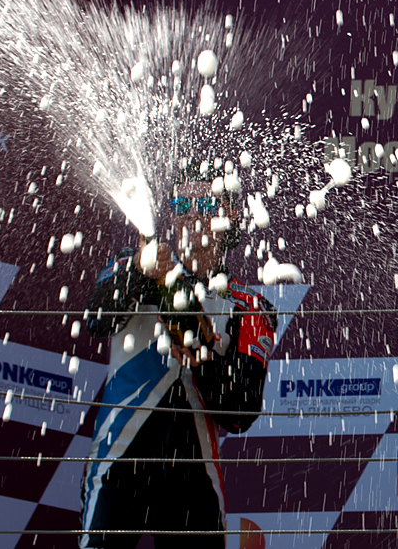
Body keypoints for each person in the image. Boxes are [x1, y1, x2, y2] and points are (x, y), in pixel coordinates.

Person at [80, 159, 277, 548]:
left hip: (194, 483)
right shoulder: (138, 266)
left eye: (203, 205)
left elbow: (241, 412)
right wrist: (139, 272)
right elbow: (96, 320)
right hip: (116, 467)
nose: (190, 216)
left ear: (229, 215)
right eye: (180, 205)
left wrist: (201, 357)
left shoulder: (250, 307)